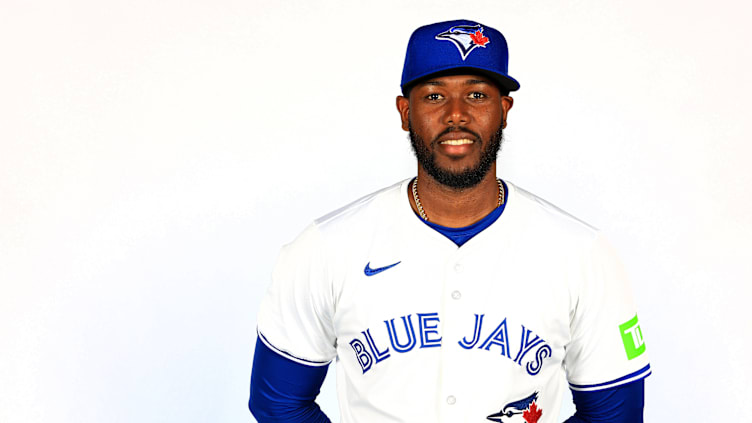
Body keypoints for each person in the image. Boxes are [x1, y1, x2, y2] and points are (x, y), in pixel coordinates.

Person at [248, 19, 650, 423]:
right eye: (434, 96)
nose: (456, 115)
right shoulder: (326, 248)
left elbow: (614, 415)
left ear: (504, 110)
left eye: (476, 94)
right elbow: (278, 403)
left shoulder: (581, 253)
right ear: (406, 112)